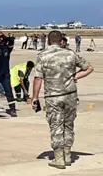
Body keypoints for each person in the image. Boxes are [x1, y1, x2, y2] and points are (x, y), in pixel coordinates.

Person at [31, 30, 94, 169]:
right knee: (68, 124)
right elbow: (89, 68)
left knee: (56, 126)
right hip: (70, 94)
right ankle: (67, 154)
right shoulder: (70, 53)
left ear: (48, 41)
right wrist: (75, 77)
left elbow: (38, 78)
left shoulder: (43, 56)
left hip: (53, 96)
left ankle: (59, 157)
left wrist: (35, 97)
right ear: (61, 41)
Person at [0, 32, 17, 116]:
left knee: (8, 92)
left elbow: (11, 41)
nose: (0, 39)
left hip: (5, 75)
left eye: (1, 38)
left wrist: (4, 36)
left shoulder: (7, 49)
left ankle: (12, 109)